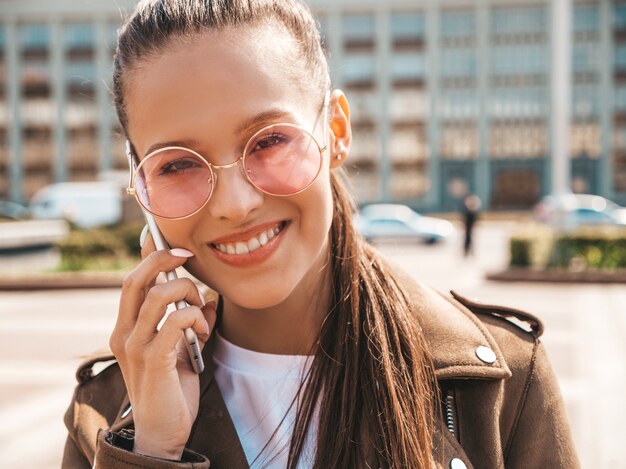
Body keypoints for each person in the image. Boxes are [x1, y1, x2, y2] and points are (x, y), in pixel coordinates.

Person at [62, 1, 579, 468]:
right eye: (176, 165)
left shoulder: (500, 384)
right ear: (138, 182)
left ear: (335, 132)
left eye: (269, 141)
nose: (235, 204)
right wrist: (151, 450)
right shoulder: (104, 418)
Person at [461, 193, 481, 258]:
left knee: (471, 240)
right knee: (468, 240)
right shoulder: (468, 212)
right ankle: (467, 252)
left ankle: (470, 252)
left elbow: (476, 221)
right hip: (467, 229)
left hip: (470, 229)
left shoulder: (473, 213)